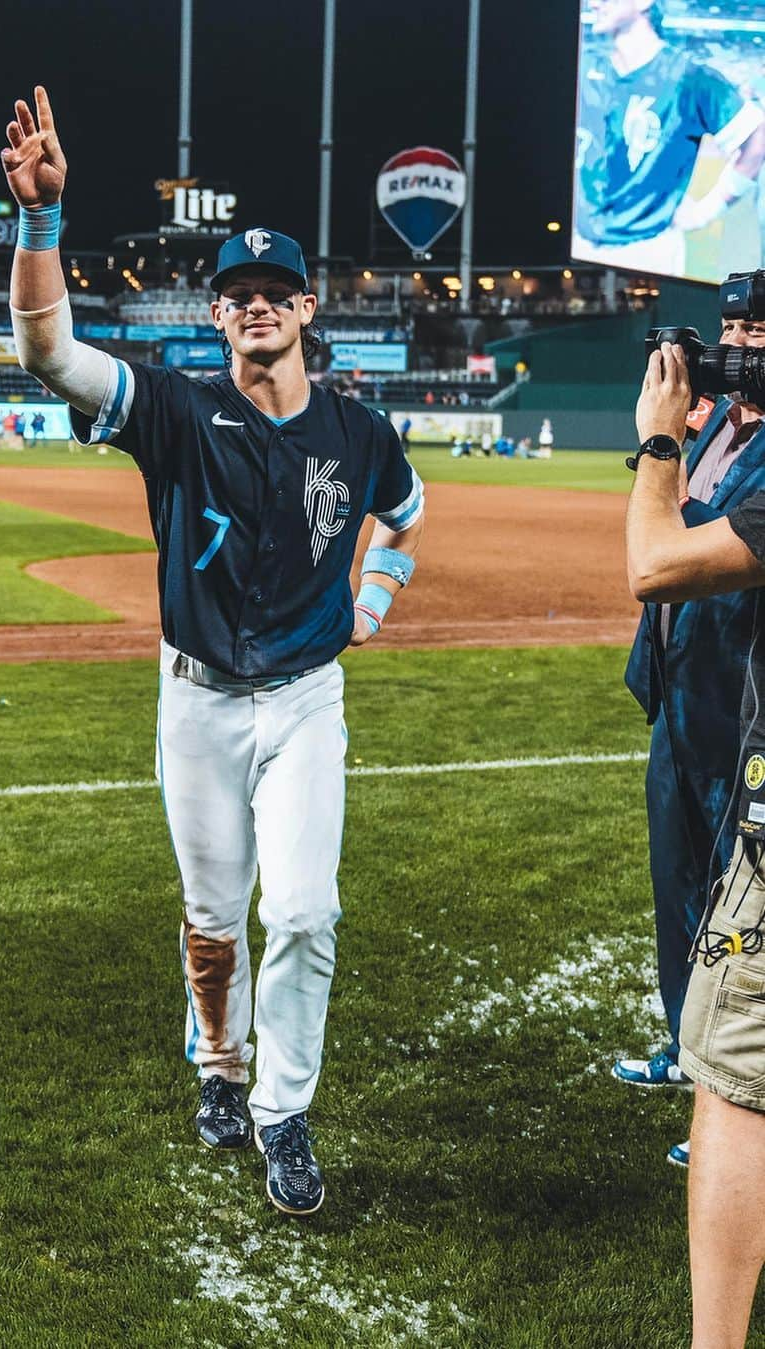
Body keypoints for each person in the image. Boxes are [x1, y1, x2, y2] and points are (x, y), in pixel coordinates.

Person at [1, 85, 425, 1216]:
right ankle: (220, 1066)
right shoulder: (175, 412)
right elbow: (48, 351)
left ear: (304, 306)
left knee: (305, 909)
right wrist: (41, 220)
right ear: (220, 314)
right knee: (213, 913)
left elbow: (405, 508)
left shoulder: (362, 430)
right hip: (195, 699)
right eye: (234, 294)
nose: (252, 307)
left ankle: (283, 1109)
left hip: (305, 699)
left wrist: (376, 590)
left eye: (271, 291)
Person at [626, 338, 765, 1349]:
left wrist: (657, 442)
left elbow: (655, 565)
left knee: (735, 1082)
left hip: (747, 753)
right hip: (692, 721)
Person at [574, 0, 765, 275]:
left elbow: (756, 138)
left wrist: (707, 209)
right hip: (581, 243)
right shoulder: (588, 67)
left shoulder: (688, 77)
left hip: (646, 249)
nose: (593, 3)